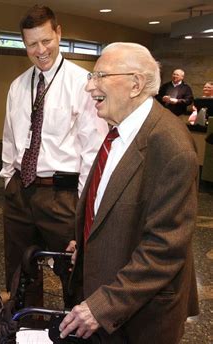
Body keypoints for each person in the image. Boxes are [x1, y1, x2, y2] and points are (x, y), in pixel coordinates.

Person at [59, 42, 199, 343]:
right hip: (110, 294)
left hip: (142, 318)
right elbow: (115, 206)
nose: (89, 87)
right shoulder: (118, 129)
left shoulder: (170, 146)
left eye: (100, 76)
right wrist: (85, 243)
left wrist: (101, 307)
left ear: (135, 84)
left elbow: (164, 249)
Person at [0, 4, 107, 307]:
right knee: (20, 274)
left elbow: (92, 151)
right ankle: (25, 329)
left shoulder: (82, 83)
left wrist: (87, 207)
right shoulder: (18, 86)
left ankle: (76, 335)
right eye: (32, 43)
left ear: (58, 34)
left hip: (62, 197)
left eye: (46, 40)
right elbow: (10, 139)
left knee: (74, 273)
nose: (40, 50)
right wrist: (10, 180)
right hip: (21, 193)